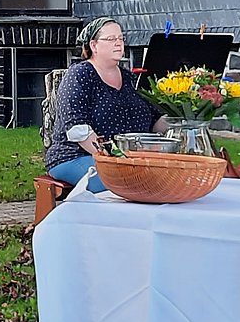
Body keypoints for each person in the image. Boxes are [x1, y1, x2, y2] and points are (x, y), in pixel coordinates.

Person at [44, 17, 166, 192]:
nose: (118, 43)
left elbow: (155, 120)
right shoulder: (79, 75)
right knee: (127, 184)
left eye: (121, 38)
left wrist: (184, 110)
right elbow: (77, 128)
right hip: (76, 156)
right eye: (111, 39)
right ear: (93, 45)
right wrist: (114, 157)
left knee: (168, 179)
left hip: (131, 160)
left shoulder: (131, 79)